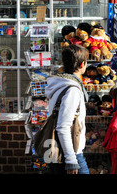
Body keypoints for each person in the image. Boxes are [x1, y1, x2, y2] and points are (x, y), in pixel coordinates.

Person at [45, 44, 89, 174]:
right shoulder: (72, 89)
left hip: (58, 150)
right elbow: (63, 126)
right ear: (82, 64)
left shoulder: (60, 84)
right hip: (69, 154)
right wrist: (71, 160)